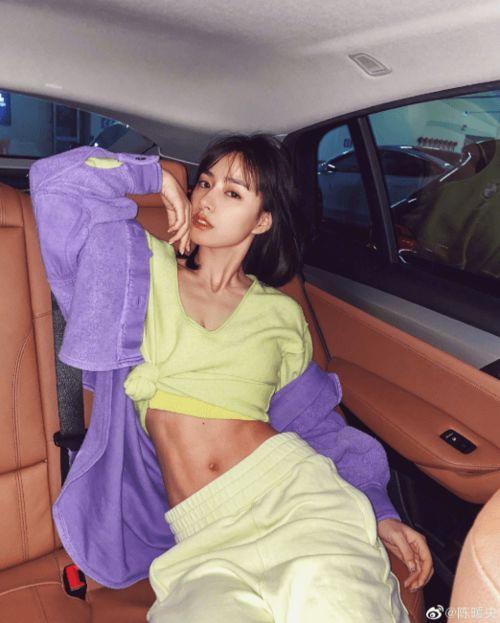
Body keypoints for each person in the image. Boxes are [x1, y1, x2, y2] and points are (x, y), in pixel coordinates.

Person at [29, 133, 432, 621]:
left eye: (233, 192)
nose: (207, 200)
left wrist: (381, 512)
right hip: (200, 533)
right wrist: (156, 178)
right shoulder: (137, 269)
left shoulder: (280, 315)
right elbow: (53, 185)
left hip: (294, 497)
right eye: (205, 183)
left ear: (263, 220)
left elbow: (317, 428)